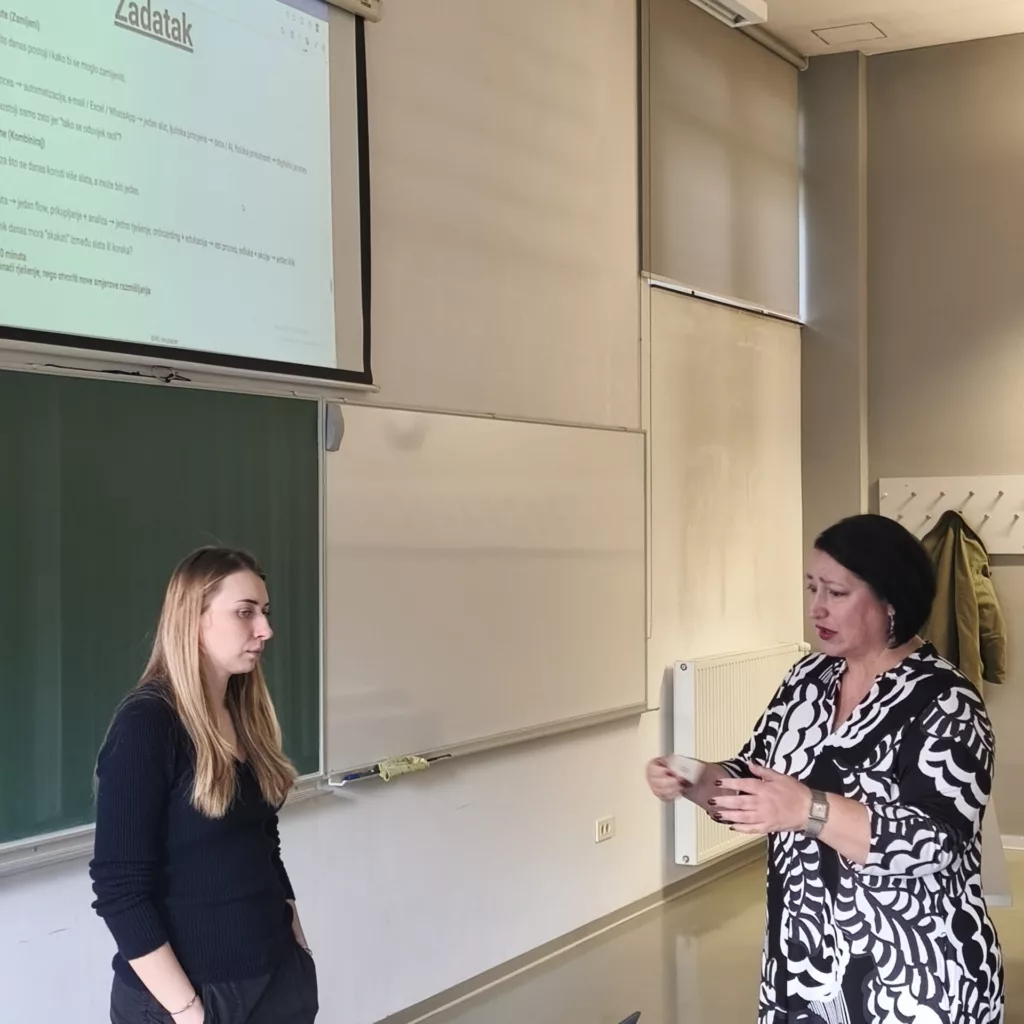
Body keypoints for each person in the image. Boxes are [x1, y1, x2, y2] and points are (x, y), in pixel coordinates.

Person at [647, 514, 1003, 1023]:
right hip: (804, 964)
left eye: (836, 592)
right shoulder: (807, 678)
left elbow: (937, 842)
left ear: (891, 600)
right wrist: (696, 778)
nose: (816, 607)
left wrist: (809, 810)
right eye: (811, 588)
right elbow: (758, 779)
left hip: (913, 975)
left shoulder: (947, 702)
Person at [90, 547, 318, 1024]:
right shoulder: (147, 725)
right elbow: (120, 889)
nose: (265, 630)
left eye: (265, 612)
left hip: (276, 978)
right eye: (245, 612)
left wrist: (296, 943)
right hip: (189, 998)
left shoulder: (245, 715)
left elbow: (263, 842)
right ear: (194, 619)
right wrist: (189, 1012)